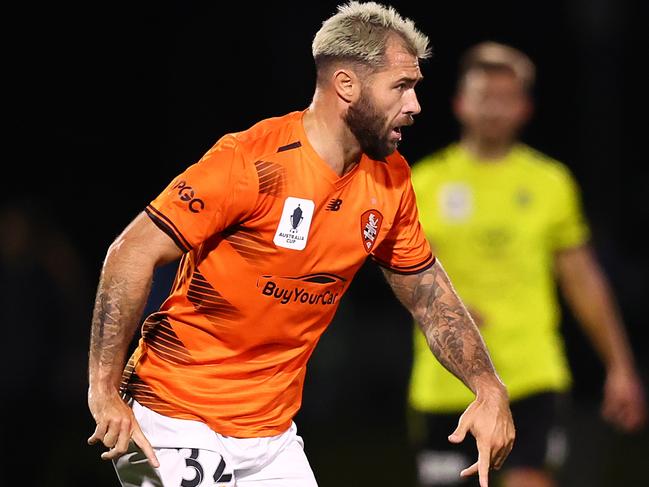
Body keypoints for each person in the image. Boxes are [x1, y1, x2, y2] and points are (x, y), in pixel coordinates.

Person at [87, 3, 515, 487]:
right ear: (347, 86)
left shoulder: (390, 180)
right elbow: (131, 252)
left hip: (270, 438)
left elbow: (429, 295)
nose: (415, 105)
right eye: (401, 87)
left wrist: (487, 388)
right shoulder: (251, 161)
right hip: (175, 415)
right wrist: (103, 390)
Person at [406, 41, 647, 487]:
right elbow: (406, 277)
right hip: (447, 380)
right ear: (460, 103)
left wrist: (620, 366)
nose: (494, 109)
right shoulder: (423, 183)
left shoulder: (550, 182)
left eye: (506, 98)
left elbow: (582, 280)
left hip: (531, 374)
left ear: (525, 108)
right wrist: (447, 311)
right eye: (484, 96)